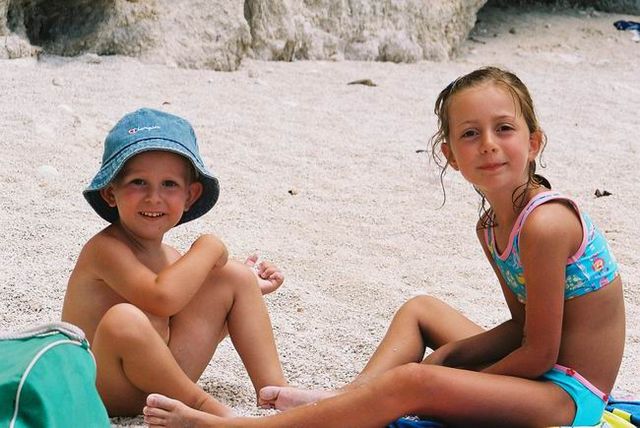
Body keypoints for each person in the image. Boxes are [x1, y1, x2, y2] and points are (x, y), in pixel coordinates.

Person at [141, 67, 626, 427]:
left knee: (414, 382)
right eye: (469, 134)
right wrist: (453, 358)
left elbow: (538, 353)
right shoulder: (491, 226)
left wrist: (451, 376)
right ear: (450, 156)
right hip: (543, 371)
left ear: (534, 142)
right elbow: (521, 326)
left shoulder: (545, 224)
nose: (488, 144)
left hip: (571, 395)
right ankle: (351, 399)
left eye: (504, 129)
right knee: (421, 310)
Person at [61, 108, 288, 417]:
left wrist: (246, 288)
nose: (154, 197)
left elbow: (195, 305)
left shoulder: (171, 258)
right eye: (138, 182)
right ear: (111, 193)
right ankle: (206, 407)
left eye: (169, 184)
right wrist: (209, 245)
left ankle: (277, 394)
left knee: (232, 276)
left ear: (190, 195)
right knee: (123, 320)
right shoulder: (105, 250)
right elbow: (162, 297)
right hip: (104, 390)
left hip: (161, 383)